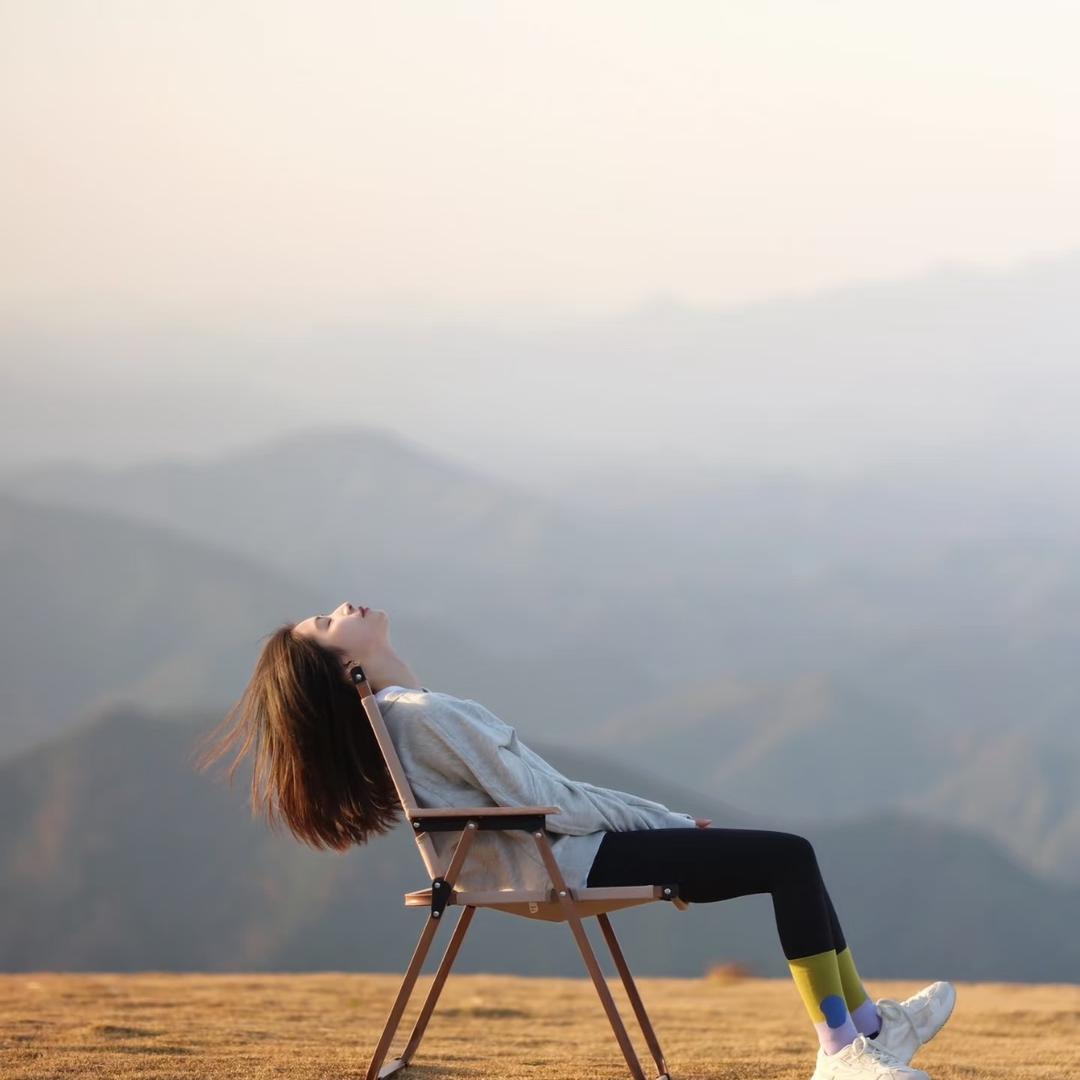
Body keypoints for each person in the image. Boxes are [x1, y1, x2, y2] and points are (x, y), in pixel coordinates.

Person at [195, 600, 957, 1080]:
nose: (342, 607)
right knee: (790, 857)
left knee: (792, 856)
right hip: (574, 858)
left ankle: (869, 1030)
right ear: (347, 663)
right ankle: (842, 1048)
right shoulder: (422, 713)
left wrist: (657, 819)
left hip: (564, 851)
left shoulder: (409, 714)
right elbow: (550, 803)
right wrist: (656, 821)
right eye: (328, 623)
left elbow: (546, 799)